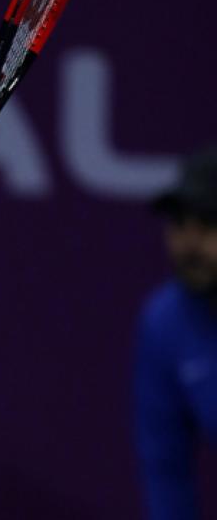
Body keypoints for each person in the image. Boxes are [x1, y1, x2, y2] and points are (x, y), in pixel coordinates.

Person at [134, 146, 217, 520]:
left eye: (208, 222)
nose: (190, 242)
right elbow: (167, 470)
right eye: (179, 222)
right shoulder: (164, 322)